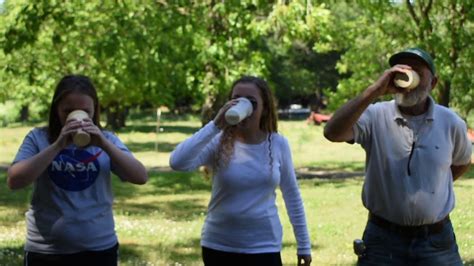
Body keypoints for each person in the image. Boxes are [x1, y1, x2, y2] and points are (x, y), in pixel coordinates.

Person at [324, 48, 472, 265]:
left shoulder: (451, 123)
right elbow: (332, 132)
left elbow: (461, 162)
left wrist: (434, 185)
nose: (406, 74)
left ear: (433, 82)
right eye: (401, 68)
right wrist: (375, 90)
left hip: (436, 241)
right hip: (383, 240)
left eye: (416, 70)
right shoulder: (375, 115)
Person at [169, 76, 312, 266]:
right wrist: (215, 125)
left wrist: (303, 245)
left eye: (252, 102)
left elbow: (292, 194)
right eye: (236, 99)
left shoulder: (278, 144)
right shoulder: (217, 140)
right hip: (219, 245)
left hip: (264, 246)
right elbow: (178, 162)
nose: (245, 107)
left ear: (265, 108)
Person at [7, 75, 148, 266]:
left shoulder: (107, 140)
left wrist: (104, 143)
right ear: (56, 109)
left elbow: (140, 176)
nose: (76, 115)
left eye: (84, 111)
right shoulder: (39, 138)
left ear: (94, 110)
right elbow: (15, 180)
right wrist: (58, 145)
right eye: (68, 111)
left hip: (98, 248)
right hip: (46, 250)